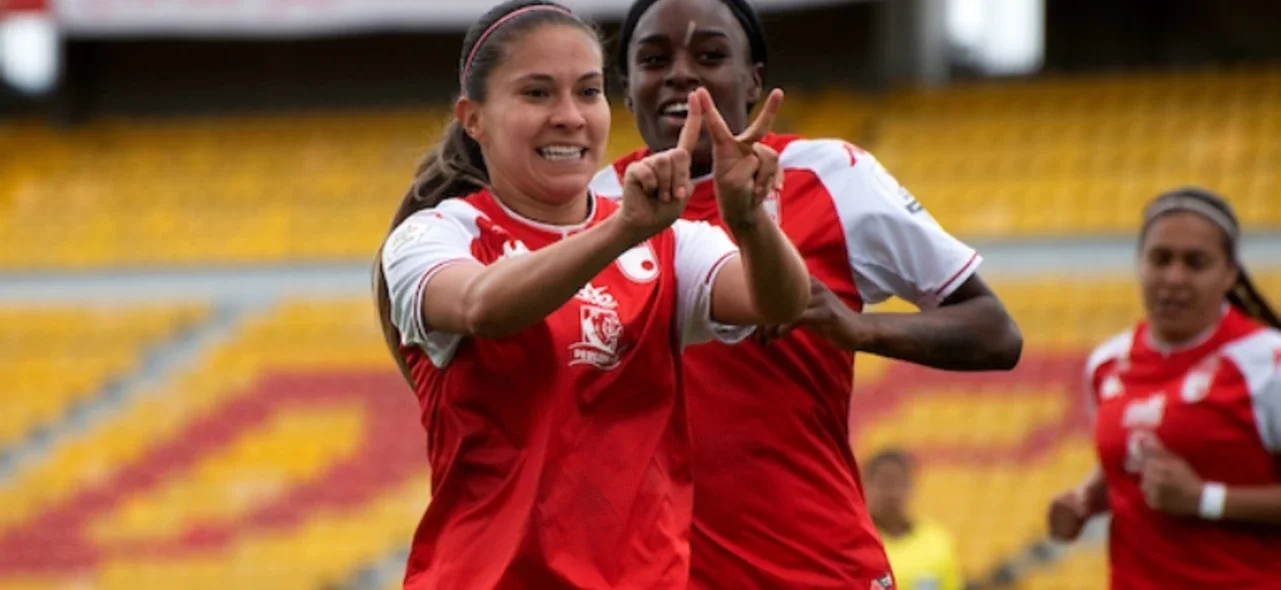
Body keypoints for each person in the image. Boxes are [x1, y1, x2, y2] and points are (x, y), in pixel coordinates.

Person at [371, 1, 812, 588]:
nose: (570, 116)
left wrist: (752, 220)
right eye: (536, 94)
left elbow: (778, 303)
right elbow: (483, 307)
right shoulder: (435, 235)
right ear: (473, 118)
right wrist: (623, 229)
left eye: (587, 92)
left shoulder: (667, 241)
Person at [591, 0, 1023, 587]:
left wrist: (858, 328)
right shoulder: (591, 211)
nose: (681, 74)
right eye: (653, 59)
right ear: (627, 87)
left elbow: (995, 332)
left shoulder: (831, 175)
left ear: (753, 80)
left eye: (711, 55)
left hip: (814, 566)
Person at [1047, 188, 1281, 589]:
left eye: (1195, 262)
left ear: (1229, 273)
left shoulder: (1267, 363)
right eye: (1161, 259)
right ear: (1141, 264)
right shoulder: (1107, 364)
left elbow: (1187, 485)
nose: (1174, 277)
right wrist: (1085, 499)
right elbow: (1133, 456)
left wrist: (1204, 499)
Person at [863, 449, 964, 590]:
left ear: (911, 486)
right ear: (865, 486)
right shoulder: (858, 543)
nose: (890, 492)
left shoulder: (938, 542)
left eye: (897, 482)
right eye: (883, 482)